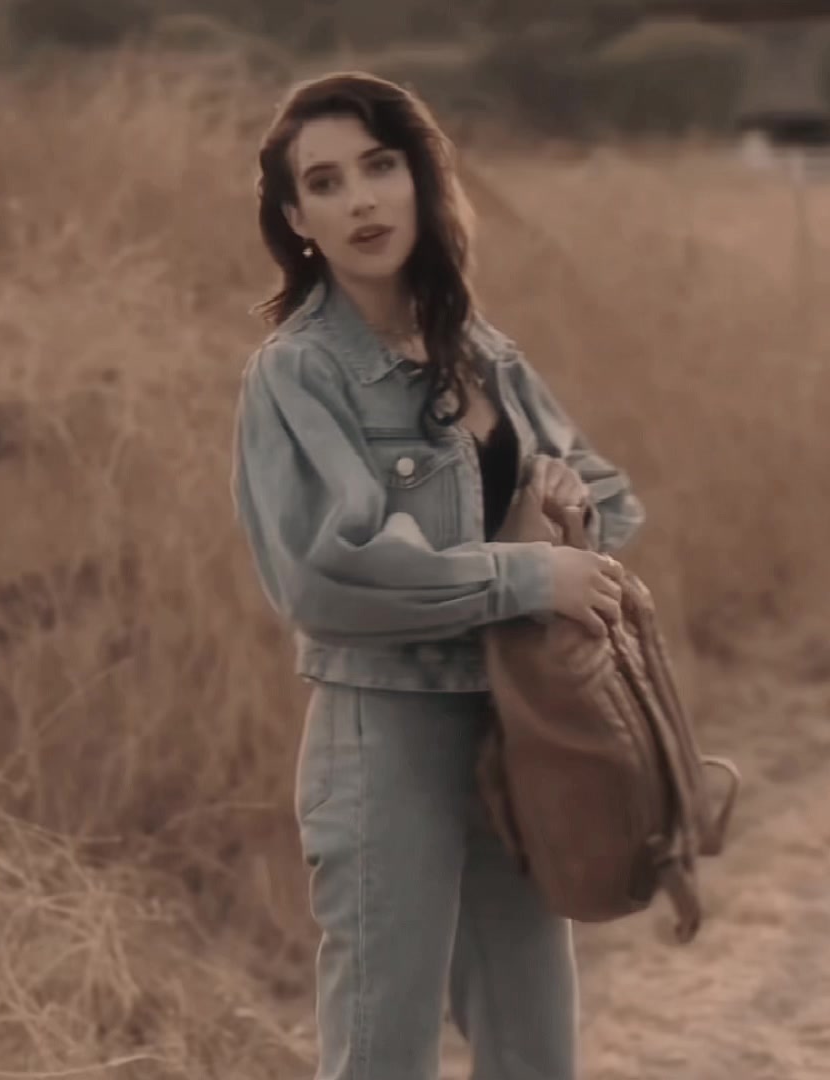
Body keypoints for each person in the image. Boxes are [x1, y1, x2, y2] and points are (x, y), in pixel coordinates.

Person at [230, 72, 645, 1080]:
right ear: (297, 221)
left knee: (536, 1048)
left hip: (517, 726)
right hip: (386, 735)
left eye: (380, 166)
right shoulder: (298, 371)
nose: (362, 200)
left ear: (420, 176)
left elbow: (611, 498)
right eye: (325, 183)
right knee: (384, 1053)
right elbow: (323, 575)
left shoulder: (480, 349)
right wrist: (523, 576)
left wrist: (563, 508)